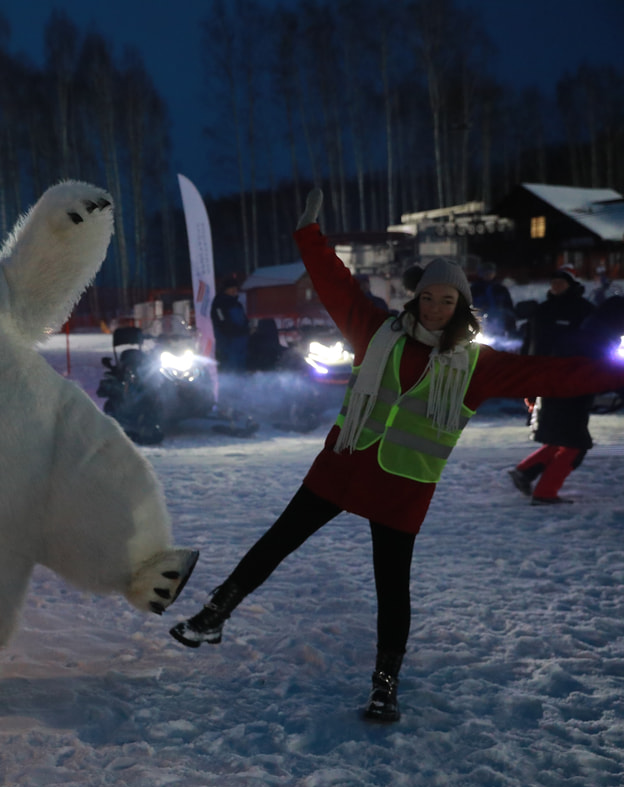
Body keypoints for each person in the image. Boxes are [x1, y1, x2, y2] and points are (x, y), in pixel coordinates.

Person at [168, 189, 624, 723]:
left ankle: (385, 685)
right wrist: (309, 237)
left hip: (404, 484)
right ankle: (213, 615)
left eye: (446, 300)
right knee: (278, 540)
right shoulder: (377, 330)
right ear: (417, 298)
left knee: (392, 588)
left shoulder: (478, 365)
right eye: (428, 297)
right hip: (343, 464)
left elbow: (558, 374)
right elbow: (335, 285)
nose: (434, 307)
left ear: (460, 306)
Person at [508, 270, 599, 504]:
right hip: (559, 383)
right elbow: (530, 347)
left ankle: (526, 471)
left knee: (563, 433)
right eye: (553, 282)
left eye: (560, 282)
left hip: (571, 382)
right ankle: (545, 491)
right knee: (575, 442)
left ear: (571, 284)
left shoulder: (582, 310)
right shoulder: (544, 311)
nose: (556, 286)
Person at [210, 280, 249, 372]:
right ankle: (231, 383)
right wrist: (231, 332)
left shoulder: (236, 303)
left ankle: (241, 383)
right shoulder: (219, 303)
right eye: (232, 288)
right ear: (226, 290)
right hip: (229, 340)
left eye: (235, 288)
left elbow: (243, 319)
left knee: (240, 364)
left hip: (239, 338)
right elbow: (221, 321)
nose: (235, 291)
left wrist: (246, 329)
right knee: (230, 365)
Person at [469, 262, 516, 338]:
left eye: (490, 272)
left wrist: (511, 329)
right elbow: (470, 307)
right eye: (485, 272)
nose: (488, 275)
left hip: (499, 324)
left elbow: (509, 308)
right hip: (481, 325)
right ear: (480, 273)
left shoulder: (501, 289)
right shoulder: (475, 289)